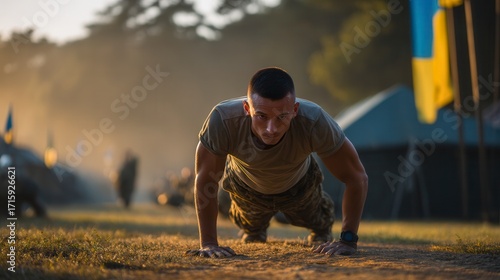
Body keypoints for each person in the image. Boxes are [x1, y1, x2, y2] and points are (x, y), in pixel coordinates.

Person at [187, 67, 368, 258]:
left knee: (320, 222)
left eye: (282, 117)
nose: (271, 129)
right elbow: (205, 180)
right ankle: (255, 229)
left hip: (300, 187)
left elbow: (357, 177)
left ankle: (318, 228)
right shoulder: (223, 120)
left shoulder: (314, 121)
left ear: (295, 110)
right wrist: (207, 243)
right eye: (261, 117)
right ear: (247, 109)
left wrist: (348, 240)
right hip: (246, 189)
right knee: (251, 228)